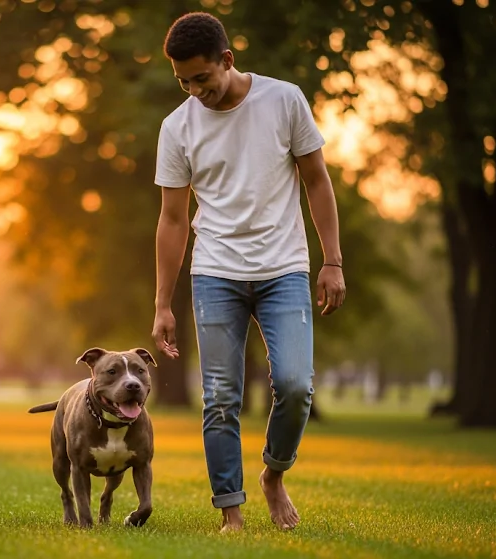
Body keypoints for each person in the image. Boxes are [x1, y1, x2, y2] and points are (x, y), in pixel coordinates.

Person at [150, 12, 346, 533]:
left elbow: (318, 182)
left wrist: (332, 260)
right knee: (220, 396)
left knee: (295, 385)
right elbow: (172, 220)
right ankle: (230, 513)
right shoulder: (177, 127)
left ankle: (273, 474)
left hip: (284, 268)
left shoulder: (284, 100)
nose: (195, 91)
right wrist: (162, 303)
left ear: (227, 61)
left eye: (202, 78)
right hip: (214, 273)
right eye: (183, 82)